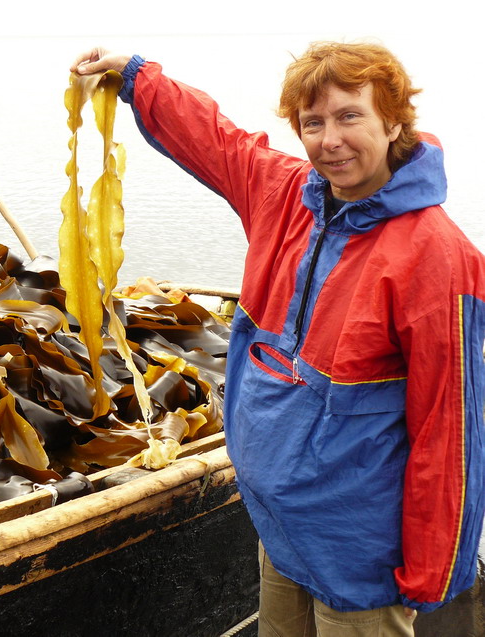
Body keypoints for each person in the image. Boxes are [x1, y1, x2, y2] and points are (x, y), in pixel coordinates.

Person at [71, 42, 485, 636]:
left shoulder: (437, 257)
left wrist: (431, 574)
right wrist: (135, 77)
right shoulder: (287, 197)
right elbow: (218, 141)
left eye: (349, 116)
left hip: (358, 554)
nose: (329, 139)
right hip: (279, 527)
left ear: (393, 121)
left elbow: (451, 430)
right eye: (312, 123)